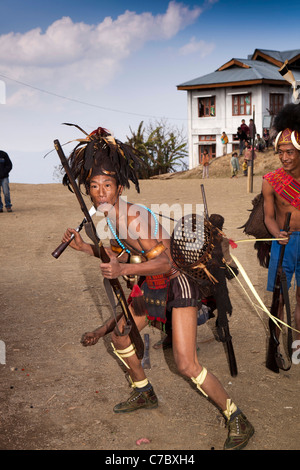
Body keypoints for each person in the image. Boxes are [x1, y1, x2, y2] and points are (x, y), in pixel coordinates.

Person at [60, 125, 254, 450]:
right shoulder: (113, 216)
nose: (100, 192)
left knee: (186, 363)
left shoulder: (132, 217)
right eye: (93, 186)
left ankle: (237, 418)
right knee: (121, 335)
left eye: (107, 184)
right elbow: (124, 253)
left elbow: (164, 263)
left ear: (119, 186)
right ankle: (143, 391)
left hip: (177, 282)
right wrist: (85, 248)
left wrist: (122, 268)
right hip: (153, 283)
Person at [262, 103, 300, 345]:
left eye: (290, 152)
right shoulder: (271, 181)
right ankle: (275, 345)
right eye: (281, 152)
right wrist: (277, 233)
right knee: (279, 298)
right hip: (283, 242)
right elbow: (268, 216)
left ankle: (297, 343)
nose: (284, 157)